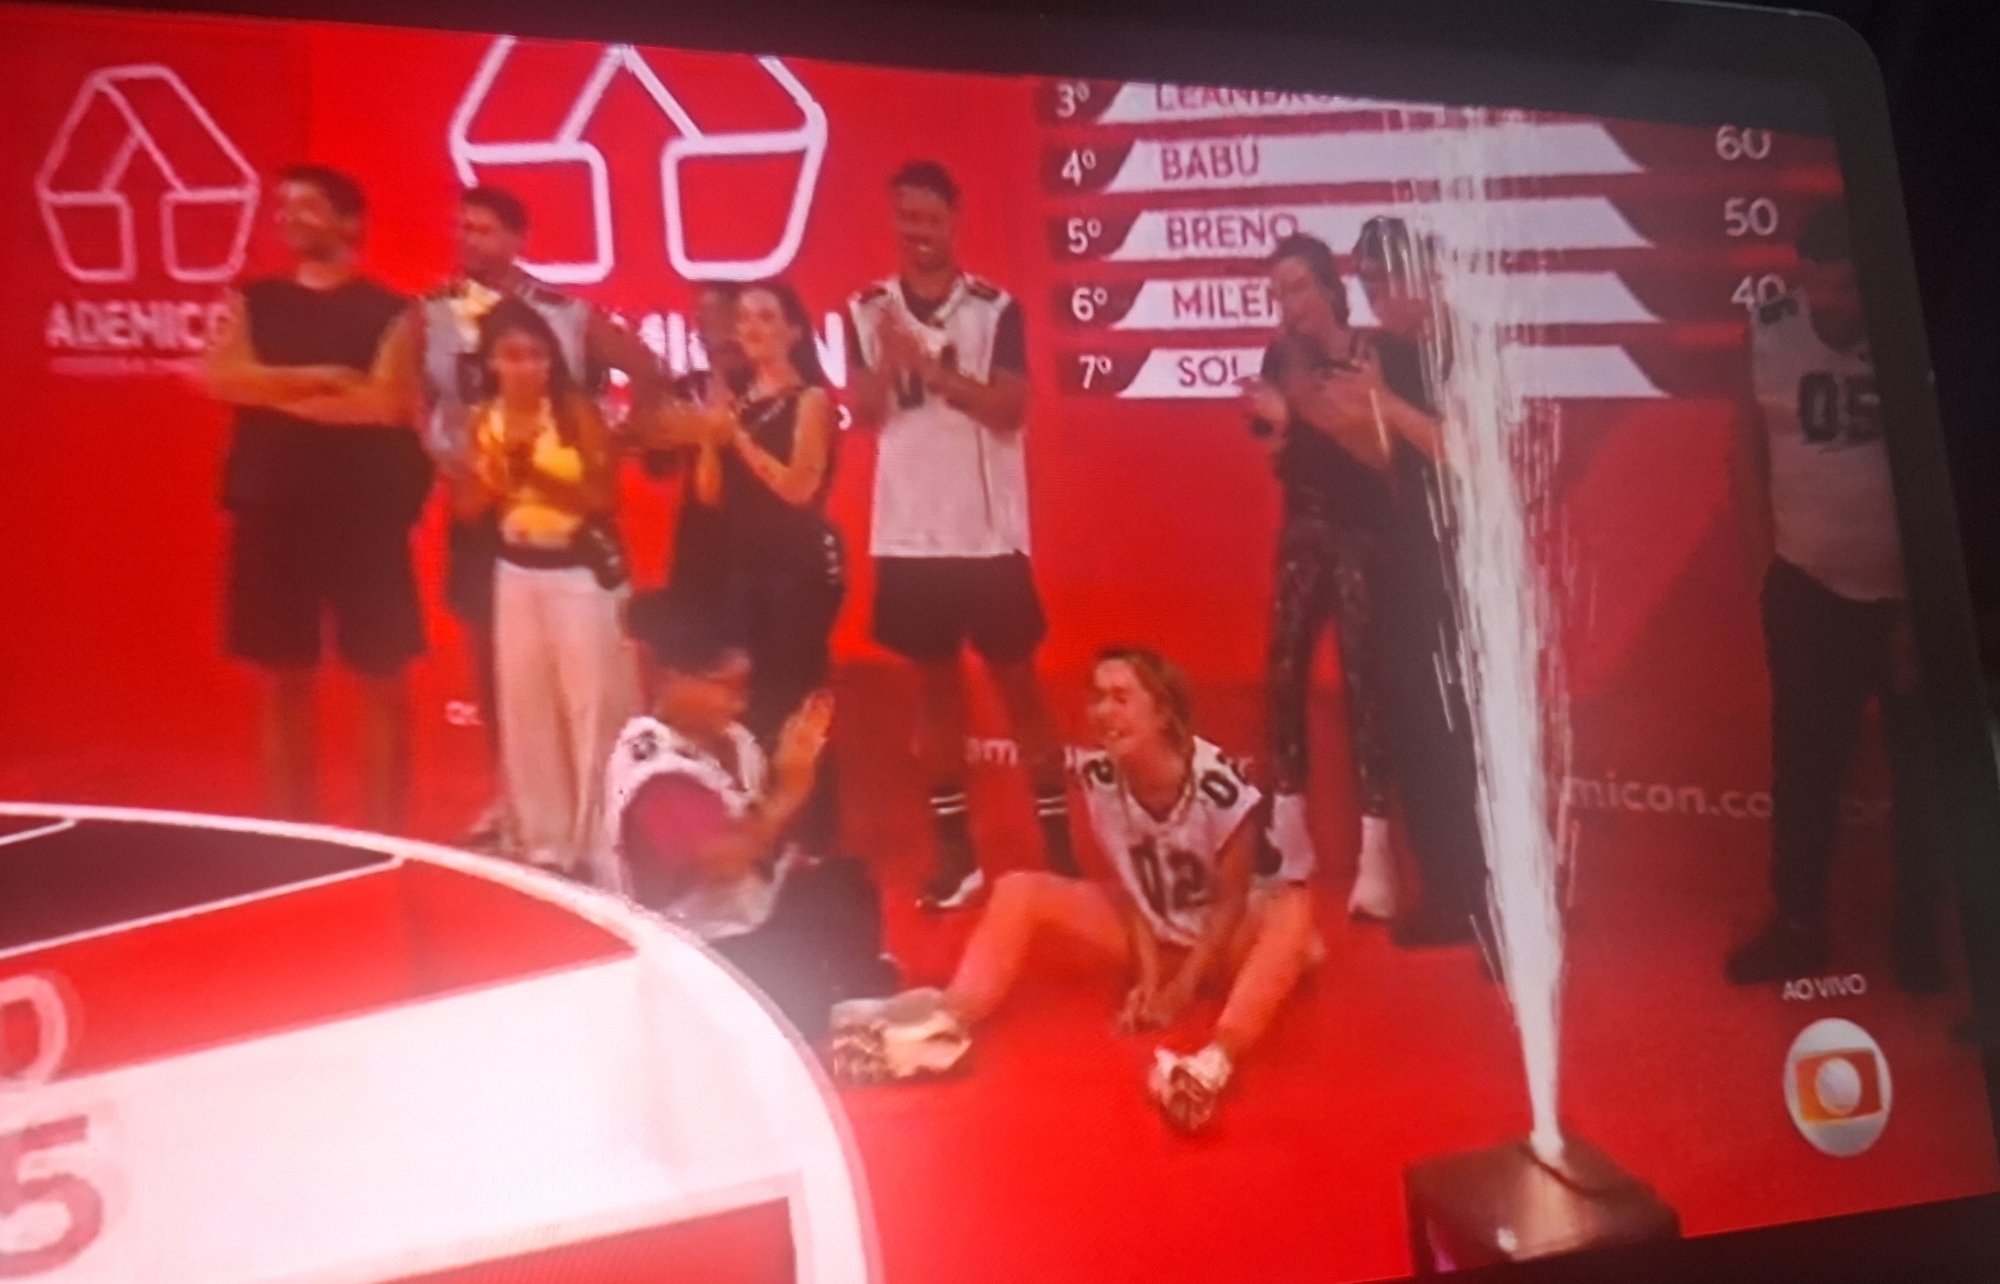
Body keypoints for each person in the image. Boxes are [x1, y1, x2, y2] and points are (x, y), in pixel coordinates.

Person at [282, 185, 668, 850]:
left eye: (484, 229)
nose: (468, 240)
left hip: (565, 512)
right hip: (482, 503)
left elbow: (649, 368)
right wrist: (440, 452)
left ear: (517, 239)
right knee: (497, 661)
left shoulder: (565, 315)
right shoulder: (430, 314)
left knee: (585, 677)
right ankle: (510, 794)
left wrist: (621, 440)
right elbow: (401, 395)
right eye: (462, 228)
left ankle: (604, 813)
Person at [829, 647, 1322, 1134]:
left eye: (1121, 698)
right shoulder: (1101, 778)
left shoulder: (1218, 784)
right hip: (1157, 929)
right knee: (1020, 889)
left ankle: (1215, 1061)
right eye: (1098, 697)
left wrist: (1180, 990)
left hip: (1220, 944)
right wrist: (1149, 980)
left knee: (1294, 907)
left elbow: (1230, 903)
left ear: (1162, 712)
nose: (1104, 711)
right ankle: (944, 1021)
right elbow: (1131, 889)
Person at [847, 160, 1078, 912]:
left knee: (1020, 688)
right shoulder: (867, 309)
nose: (917, 232)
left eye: (930, 218)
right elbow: (865, 413)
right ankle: (956, 852)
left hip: (985, 534)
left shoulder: (994, 309)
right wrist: (888, 362)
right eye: (906, 217)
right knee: (936, 694)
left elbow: (1011, 409)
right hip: (909, 533)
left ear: (954, 221)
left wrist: (933, 371)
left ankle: (1060, 847)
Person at [1724, 201, 1941, 991]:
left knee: (1923, 778)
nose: (1839, 302)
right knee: (1805, 771)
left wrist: (1919, 611)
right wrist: (1767, 573)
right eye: (1826, 286)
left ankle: (1917, 937)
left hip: (1912, 599)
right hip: (1809, 590)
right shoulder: (1770, 333)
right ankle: (1799, 925)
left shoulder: (1916, 331)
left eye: (1854, 286)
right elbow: (1746, 454)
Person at [199, 164, 429, 833]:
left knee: (381, 677)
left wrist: (269, 388)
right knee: (283, 676)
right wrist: (322, 379)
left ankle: (387, 835)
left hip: (366, 514)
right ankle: (291, 834)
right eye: (286, 208)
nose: (291, 219)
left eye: (309, 207)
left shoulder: (392, 311)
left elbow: (384, 404)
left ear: (350, 222)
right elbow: (219, 378)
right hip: (272, 506)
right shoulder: (256, 301)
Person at [1236, 233, 1438, 922]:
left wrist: (1299, 413)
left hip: (1366, 530)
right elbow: (1277, 451)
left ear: (1329, 287)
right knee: (1284, 667)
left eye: (1296, 287)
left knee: (1363, 679)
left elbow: (1380, 455)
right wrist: (1274, 426)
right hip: (1304, 523)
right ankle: (1289, 837)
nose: (1286, 304)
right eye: (1276, 292)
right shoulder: (1280, 357)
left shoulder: (1372, 353)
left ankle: (1376, 855)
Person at [598, 593, 897, 1041]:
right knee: (804, 989)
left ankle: (847, 1006)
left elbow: (760, 833)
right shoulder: (654, 768)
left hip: (753, 924)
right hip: (697, 954)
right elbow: (723, 860)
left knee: (843, 885)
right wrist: (789, 791)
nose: (737, 704)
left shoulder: (735, 741)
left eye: (743, 688)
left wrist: (790, 777)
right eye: (724, 687)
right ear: (671, 677)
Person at [1348, 217, 1491, 950]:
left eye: (1382, 283)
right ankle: (1445, 891)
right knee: (1413, 725)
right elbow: (1384, 457)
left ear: (1417, 275)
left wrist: (1385, 401)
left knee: (1462, 730)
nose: (1373, 299)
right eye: (1365, 284)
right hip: (1405, 554)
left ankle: (1487, 891)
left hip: (1467, 560)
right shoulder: (1387, 353)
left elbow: (1466, 452)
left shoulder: (1468, 346)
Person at [459, 299, 635, 874]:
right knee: (527, 710)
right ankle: (546, 843)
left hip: (577, 573)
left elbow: (601, 497)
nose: (525, 366)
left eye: (535, 355)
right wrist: (492, 476)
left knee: (593, 709)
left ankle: (604, 845)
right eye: (511, 355)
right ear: (492, 363)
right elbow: (470, 505)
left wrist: (530, 472)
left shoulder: (573, 411)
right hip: (516, 570)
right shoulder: (484, 419)